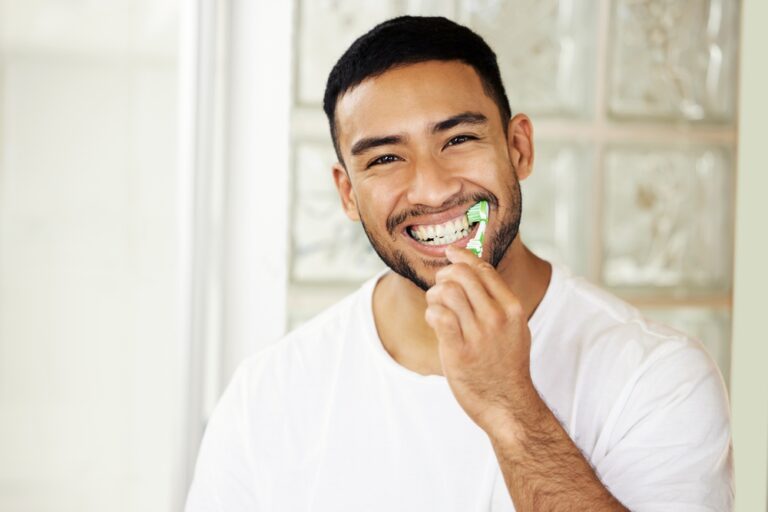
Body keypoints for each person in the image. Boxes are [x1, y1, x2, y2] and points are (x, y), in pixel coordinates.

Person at [185, 16, 733, 511]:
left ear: (518, 148)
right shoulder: (267, 397)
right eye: (385, 158)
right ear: (347, 194)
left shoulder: (658, 376)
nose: (433, 187)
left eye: (459, 138)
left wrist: (508, 404)